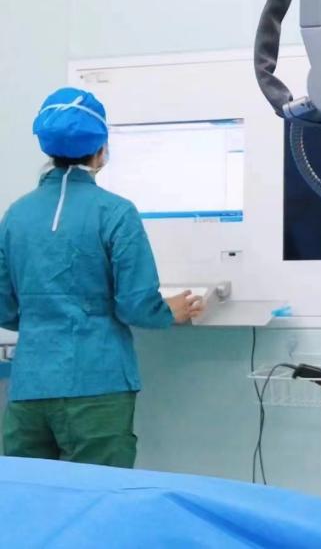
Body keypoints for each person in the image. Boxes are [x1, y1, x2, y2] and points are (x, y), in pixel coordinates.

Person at [0, 87, 204, 468]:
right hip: (98, 389)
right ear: (101, 150)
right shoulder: (116, 213)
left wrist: (46, 320)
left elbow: (4, 309)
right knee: (101, 496)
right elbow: (136, 305)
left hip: (29, 390)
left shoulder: (15, 216)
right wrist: (169, 311)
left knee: (31, 496)